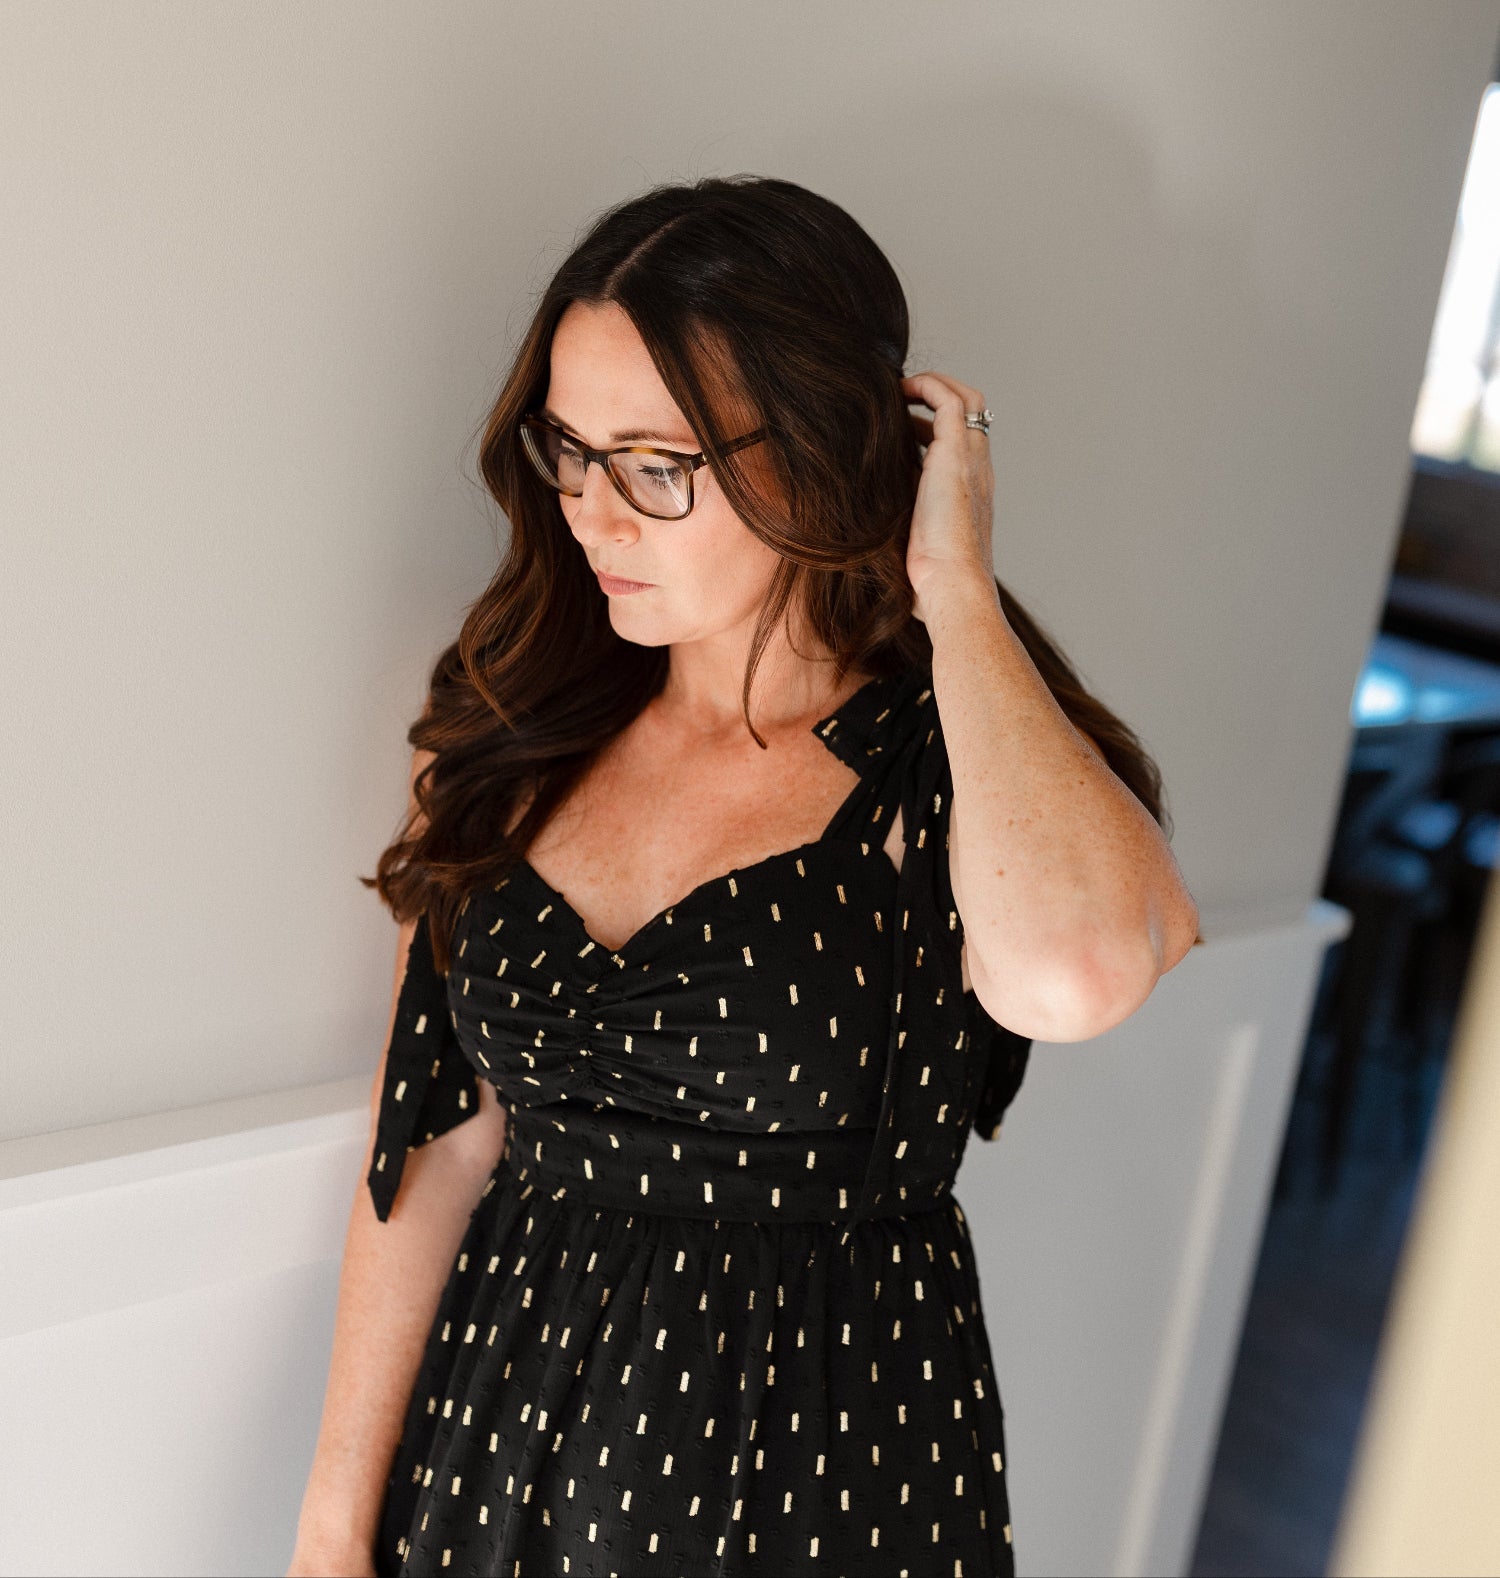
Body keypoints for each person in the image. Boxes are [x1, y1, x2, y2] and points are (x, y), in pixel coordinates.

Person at [287, 174, 1201, 1578]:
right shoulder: (518, 728)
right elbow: (438, 1143)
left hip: (815, 1485)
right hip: (492, 1460)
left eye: (656, 466)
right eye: (571, 451)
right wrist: (333, 1529)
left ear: (822, 450)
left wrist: (954, 584)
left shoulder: (940, 765)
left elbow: (1079, 974)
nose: (595, 516)